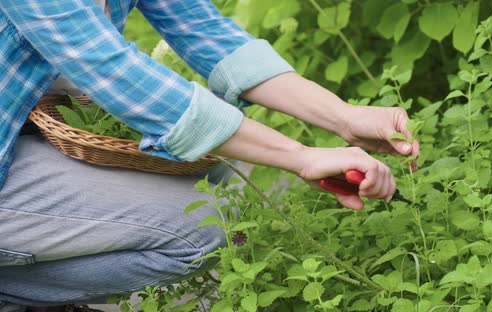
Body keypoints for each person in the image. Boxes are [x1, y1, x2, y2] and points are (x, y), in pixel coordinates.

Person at [0, 0, 419, 309]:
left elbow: (206, 32)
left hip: (22, 130)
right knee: (200, 230)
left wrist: (344, 118)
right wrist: (302, 157)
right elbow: (115, 72)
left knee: (224, 177)